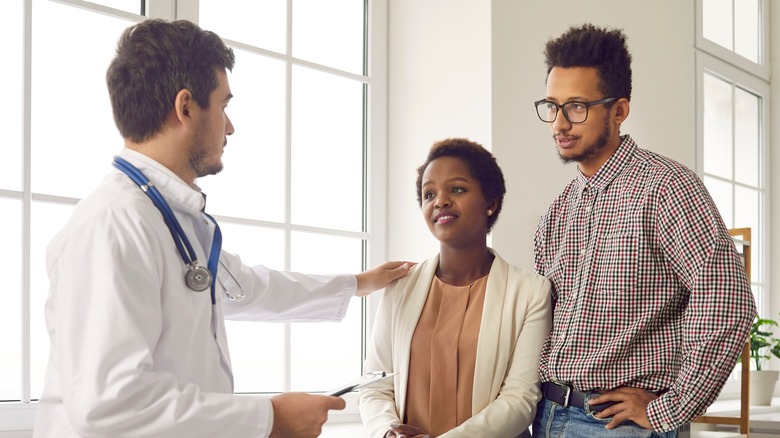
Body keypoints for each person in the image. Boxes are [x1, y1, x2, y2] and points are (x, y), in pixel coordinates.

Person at [33, 19, 411, 438]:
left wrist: (358, 283)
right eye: (224, 105)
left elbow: (248, 286)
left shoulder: (172, 221)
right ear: (186, 107)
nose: (229, 127)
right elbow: (110, 404)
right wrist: (271, 418)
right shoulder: (113, 225)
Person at [531, 23, 756, 437]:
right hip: (545, 415)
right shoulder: (556, 212)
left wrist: (673, 407)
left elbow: (728, 301)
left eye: (577, 106)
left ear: (618, 110)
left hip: (618, 427)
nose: (559, 123)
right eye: (552, 105)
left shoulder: (667, 187)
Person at [359, 138, 552, 438]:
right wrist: (387, 432)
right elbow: (375, 386)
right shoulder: (400, 286)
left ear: (491, 202)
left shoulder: (531, 292)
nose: (440, 201)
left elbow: (520, 398)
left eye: (457, 189)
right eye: (429, 194)